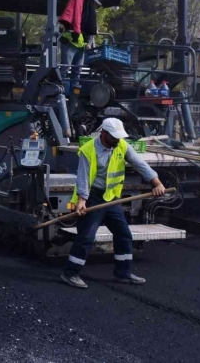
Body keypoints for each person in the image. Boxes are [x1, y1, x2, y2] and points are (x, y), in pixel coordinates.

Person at [61, 118, 167, 289]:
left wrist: (157, 183)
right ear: (103, 133)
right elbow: (83, 178)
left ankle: (123, 273)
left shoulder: (121, 145)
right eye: (114, 137)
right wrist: (82, 201)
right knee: (86, 236)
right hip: (93, 197)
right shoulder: (88, 150)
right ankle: (70, 273)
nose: (117, 140)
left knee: (123, 234)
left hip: (111, 198)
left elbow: (140, 164)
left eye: (119, 137)